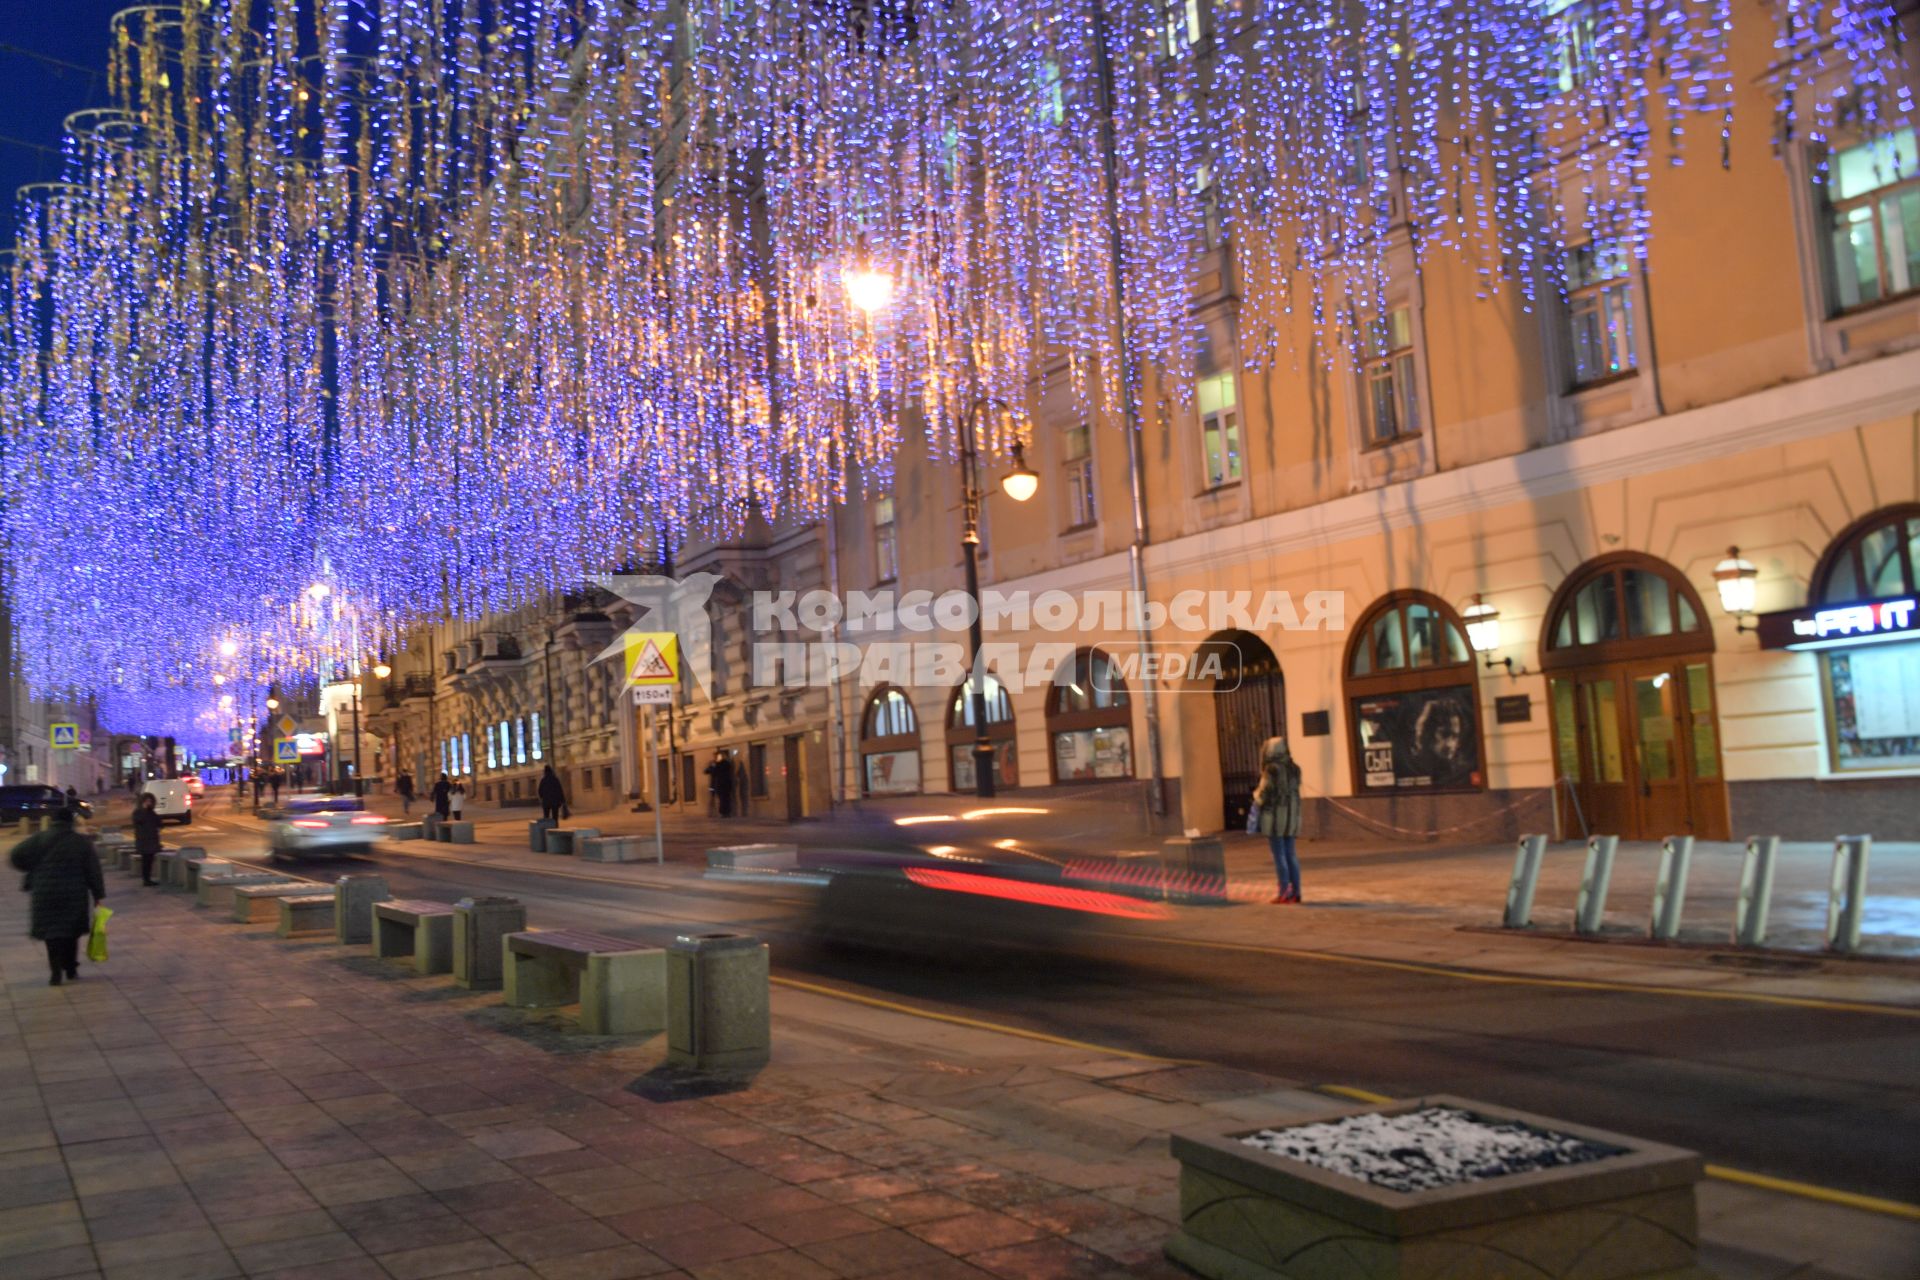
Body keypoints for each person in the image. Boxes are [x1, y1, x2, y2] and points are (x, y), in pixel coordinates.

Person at [10, 805, 106, 986]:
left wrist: (32, 868)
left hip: (45, 893)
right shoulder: (80, 842)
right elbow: (93, 870)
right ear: (71, 822)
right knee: (71, 932)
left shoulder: (39, 838)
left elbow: (16, 855)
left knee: (51, 933)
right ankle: (70, 968)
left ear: (53, 820)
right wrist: (98, 895)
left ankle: (55, 972)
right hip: (73, 893)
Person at [1250, 736, 1304, 904]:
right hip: (1292, 818)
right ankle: (1296, 892)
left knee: (1279, 856)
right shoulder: (1295, 768)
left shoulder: (1271, 770)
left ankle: (1284, 893)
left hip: (1275, 819)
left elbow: (1263, 792)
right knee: (1291, 855)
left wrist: (1255, 798)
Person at [132, 792, 163, 886]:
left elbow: (159, 823)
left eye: (150, 801)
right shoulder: (138, 812)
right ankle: (146, 879)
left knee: (150, 860)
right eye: (147, 801)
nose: (148, 803)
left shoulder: (152, 812)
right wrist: (144, 810)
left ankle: (148, 879)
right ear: (142, 802)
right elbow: (138, 821)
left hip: (152, 840)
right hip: (143, 840)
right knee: (145, 861)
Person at [707, 752, 736, 818]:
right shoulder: (717, 764)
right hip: (716, 785)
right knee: (722, 799)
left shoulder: (723, 764)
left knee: (724, 799)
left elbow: (716, 771)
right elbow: (707, 771)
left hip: (722, 784)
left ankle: (725, 813)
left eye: (716, 756)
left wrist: (714, 765)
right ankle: (723, 812)